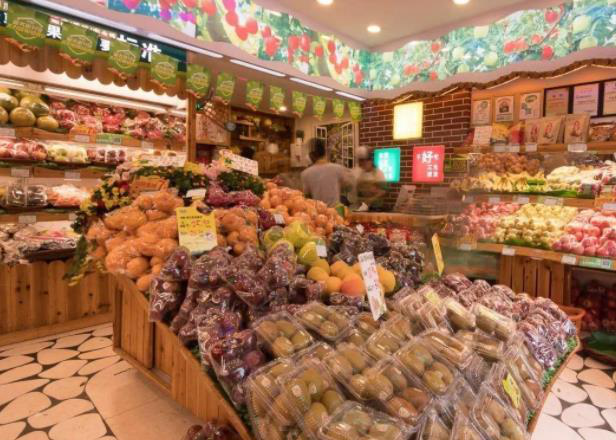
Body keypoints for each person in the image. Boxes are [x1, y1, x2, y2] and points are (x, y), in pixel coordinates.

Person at [301, 138, 352, 206]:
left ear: (311, 155)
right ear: (325, 152)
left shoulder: (306, 173)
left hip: (318, 211)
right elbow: (348, 184)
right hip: (336, 210)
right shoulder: (338, 168)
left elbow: (306, 194)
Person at [351, 146, 386, 211]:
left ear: (370, 161)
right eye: (360, 161)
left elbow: (383, 191)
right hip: (360, 207)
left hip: (375, 208)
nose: (361, 164)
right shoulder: (358, 172)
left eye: (363, 161)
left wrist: (370, 200)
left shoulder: (379, 173)